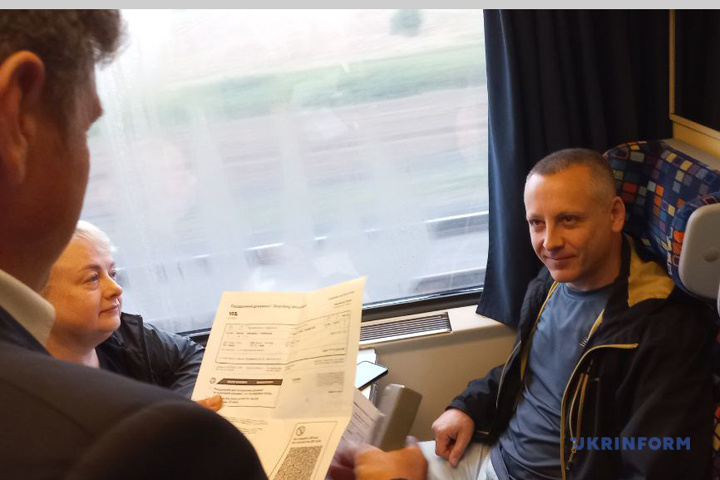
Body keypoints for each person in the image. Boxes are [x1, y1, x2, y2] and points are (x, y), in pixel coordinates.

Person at [0, 10, 264, 479]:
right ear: (16, 116)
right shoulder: (139, 444)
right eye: (83, 129)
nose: (113, 289)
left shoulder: (123, 344)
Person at [424, 149, 715, 480]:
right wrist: (468, 406)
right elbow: (533, 369)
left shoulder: (660, 328)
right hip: (497, 455)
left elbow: (659, 462)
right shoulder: (550, 283)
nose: (550, 242)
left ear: (615, 215)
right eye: (537, 223)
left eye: (569, 220)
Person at [42, 220, 221, 410]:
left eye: (112, 273)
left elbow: (189, 356)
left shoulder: (126, 337)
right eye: (92, 278)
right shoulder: (30, 390)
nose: (116, 288)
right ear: (39, 294)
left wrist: (179, 407)